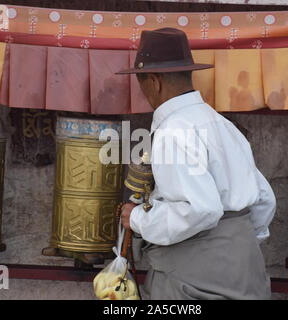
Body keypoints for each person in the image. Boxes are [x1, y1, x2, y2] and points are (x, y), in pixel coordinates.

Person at [116, 28, 276, 300]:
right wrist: (237, 245)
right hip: (246, 267)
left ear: (154, 82)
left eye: (141, 84)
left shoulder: (173, 131)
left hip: (195, 277)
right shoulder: (221, 124)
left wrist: (138, 219)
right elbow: (264, 201)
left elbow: (201, 210)